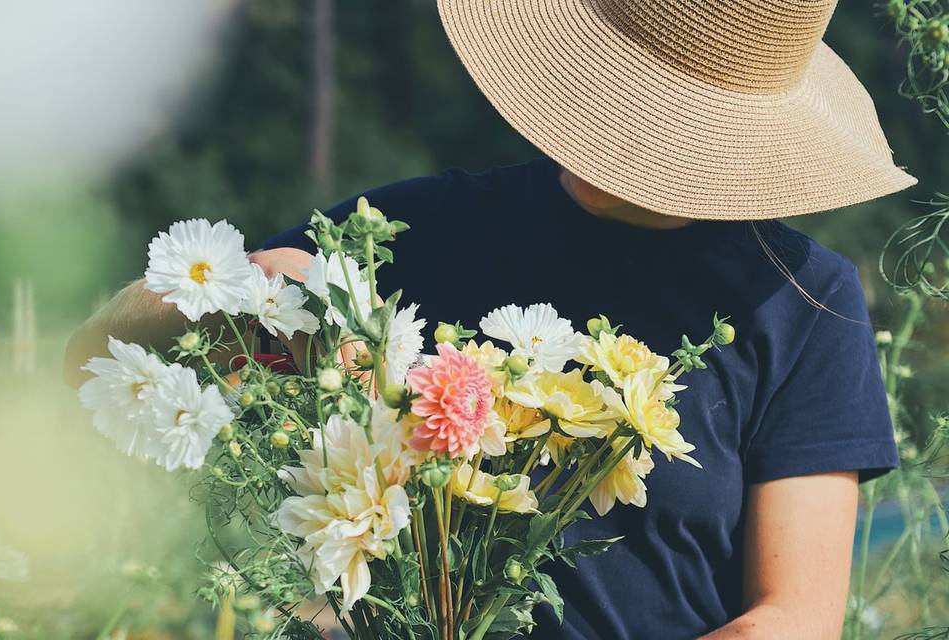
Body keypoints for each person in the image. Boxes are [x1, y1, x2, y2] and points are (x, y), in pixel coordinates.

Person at [65, 1, 917, 638]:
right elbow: (94, 360)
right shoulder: (411, 233)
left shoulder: (801, 298)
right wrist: (243, 288)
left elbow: (793, 617)